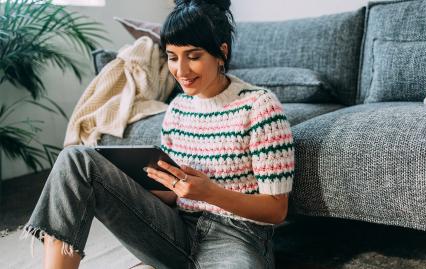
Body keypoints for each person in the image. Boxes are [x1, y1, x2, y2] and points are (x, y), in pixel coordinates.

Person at [20, 0, 294, 268]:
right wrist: (136, 184)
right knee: (75, 159)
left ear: (221, 52)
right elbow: (173, 197)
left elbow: (276, 209)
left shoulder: (260, 106)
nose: (181, 70)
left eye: (194, 56)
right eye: (172, 57)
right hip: (175, 229)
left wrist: (210, 193)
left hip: (238, 236)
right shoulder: (177, 110)